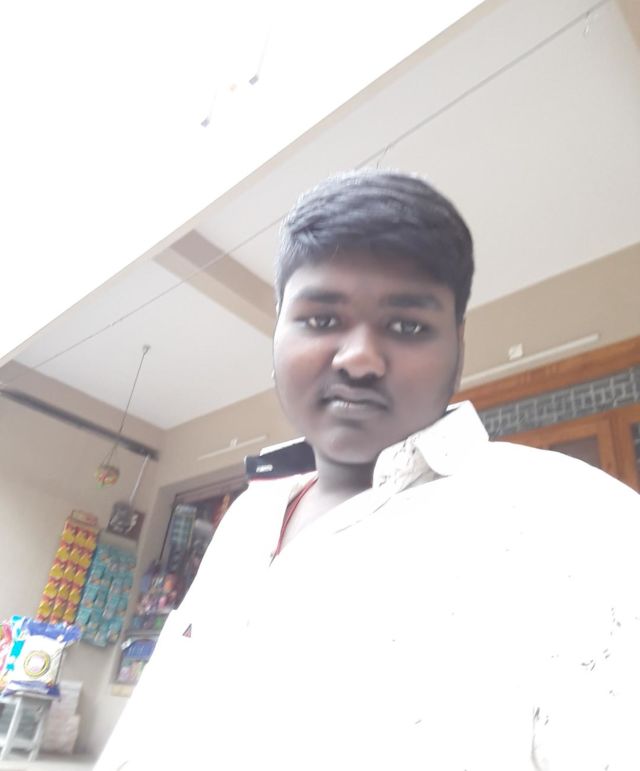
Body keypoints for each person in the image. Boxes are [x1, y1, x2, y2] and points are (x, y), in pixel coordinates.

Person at [97, 170, 640, 770]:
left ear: (458, 345)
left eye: (407, 326)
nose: (358, 359)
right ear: (277, 331)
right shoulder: (247, 518)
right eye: (321, 319)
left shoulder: (580, 524)